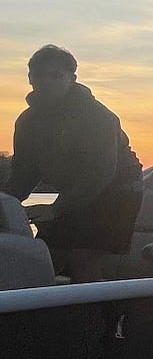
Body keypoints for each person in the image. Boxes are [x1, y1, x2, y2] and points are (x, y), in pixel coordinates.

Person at [3, 45, 143, 284]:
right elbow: (22, 175)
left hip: (116, 194)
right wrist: (4, 205)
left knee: (83, 259)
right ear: (29, 78)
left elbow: (100, 173)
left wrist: (56, 209)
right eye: (39, 75)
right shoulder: (26, 123)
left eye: (56, 75)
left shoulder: (98, 116)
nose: (46, 82)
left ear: (72, 78)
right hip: (73, 197)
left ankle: (97, 320)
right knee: (43, 257)